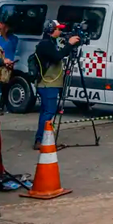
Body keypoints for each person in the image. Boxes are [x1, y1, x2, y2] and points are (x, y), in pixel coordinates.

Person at [34, 20, 79, 150]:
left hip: (51, 83)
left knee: (46, 112)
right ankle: (42, 140)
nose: (60, 31)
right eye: (58, 29)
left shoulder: (52, 43)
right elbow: (57, 56)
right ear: (50, 30)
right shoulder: (45, 44)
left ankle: (44, 139)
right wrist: (69, 45)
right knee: (48, 112)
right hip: (48, 84)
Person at [0, 17, 19, 114]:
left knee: (6, 86)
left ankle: (2, 106)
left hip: (10, 64)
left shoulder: (13, 38)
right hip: (1, 64)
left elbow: (13, 46)